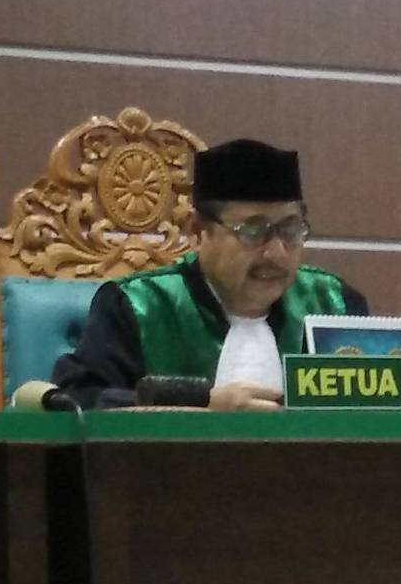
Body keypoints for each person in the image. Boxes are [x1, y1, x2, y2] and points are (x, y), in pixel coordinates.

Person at [50, 137, 368, 410]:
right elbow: (79, 399)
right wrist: (199, 404)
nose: (277, 252)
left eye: (291, 229)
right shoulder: (138, 306)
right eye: (254, 231)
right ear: (198, 232)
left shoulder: (333, 303)